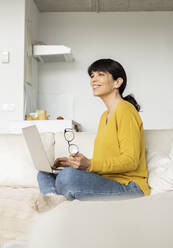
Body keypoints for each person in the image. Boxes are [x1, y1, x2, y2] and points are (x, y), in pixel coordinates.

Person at [34, 58, 150, 210]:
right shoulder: (104, 116)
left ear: (117, 82)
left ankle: (54, 199)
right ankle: (53, 199)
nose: (93, 80)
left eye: (100, 74)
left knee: (68, 177)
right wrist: (78, 164)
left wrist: (89, 165)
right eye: (92, 76)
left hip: (129, 188)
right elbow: (106, 160)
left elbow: (130, 160)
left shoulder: (125, 110)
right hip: (105, 181)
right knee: (44, 173)